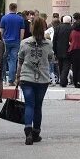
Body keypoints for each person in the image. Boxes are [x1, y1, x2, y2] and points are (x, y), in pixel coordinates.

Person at [15, 17, 55, 145]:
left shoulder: (24, 43)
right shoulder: (48, 43)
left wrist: (17, 76)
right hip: (42, 78)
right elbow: (50, 59)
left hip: (26, 77)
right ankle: (36, 132)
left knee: (29, 104)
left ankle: (28, 132)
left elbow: (20, 61)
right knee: (38, 106)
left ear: (31, 28)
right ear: (44, 28)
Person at [0, 3, 25, 84]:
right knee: (13, 61)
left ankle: (2, 78)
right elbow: (22, 32)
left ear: (9, 8)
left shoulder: (4, 18)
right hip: (16, 42)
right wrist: (20, 41)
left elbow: (1, 31)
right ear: (16, 8)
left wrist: (0, 40)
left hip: (5, 41)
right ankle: (11, 80)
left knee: (2, 60)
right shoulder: (20, 19)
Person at [52, 15, 73, 88]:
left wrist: (54, 50)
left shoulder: (58, 28)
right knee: (66, 66)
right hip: (68, 49)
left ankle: (63, 80)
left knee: (60, 65)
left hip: (59, 50)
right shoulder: (72, 28)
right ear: (70, 21)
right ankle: (63, 81)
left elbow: (54, 40)